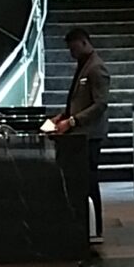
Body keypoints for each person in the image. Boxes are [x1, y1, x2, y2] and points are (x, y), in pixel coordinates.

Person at [49, 26, 111, 253]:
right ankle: (85, 225)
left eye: (74, 49)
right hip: (80, 134)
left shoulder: (96, 68)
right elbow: (79, 100)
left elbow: (100, 104)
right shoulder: (84, 65)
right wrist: (63, 115)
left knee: (89, 180)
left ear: (84, 42)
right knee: (82, 180)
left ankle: (95, 229)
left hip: (90, 135)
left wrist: (73, 121)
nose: (72, 54)